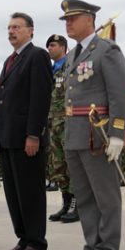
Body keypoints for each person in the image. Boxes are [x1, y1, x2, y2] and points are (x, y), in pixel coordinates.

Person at [61, 0, 125, 250]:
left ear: (89, 19)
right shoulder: (72, 55)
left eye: (73, 18)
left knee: (106, 196)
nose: (68, 23)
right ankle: (91, 247)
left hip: (97, 135)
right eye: (66, 19)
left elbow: (119, 95)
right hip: (75, 134)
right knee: (85, 196)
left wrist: (117, 135)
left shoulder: (106, 50)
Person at [0, 12, 53, 250]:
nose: (11, 31)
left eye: (17, 27)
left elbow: (40, 99)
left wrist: (34, 135)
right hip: (8, 137)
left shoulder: (37, 55)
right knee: (14, 192)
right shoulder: (10, 60)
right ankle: (23, 238)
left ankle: (37, 242)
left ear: (30, 30)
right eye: (9, 27)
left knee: (30, 191)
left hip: (26, 138)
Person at [46, 34, 79, 223]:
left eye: (53, 45)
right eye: (49, 45)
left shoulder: (71, 66)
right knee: (58, 165)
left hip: (68, 122)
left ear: (63, 47)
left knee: (71, 164)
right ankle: (66, 203)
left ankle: (77, 204)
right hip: (53, 123)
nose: (50, 48)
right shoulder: (50, 71)